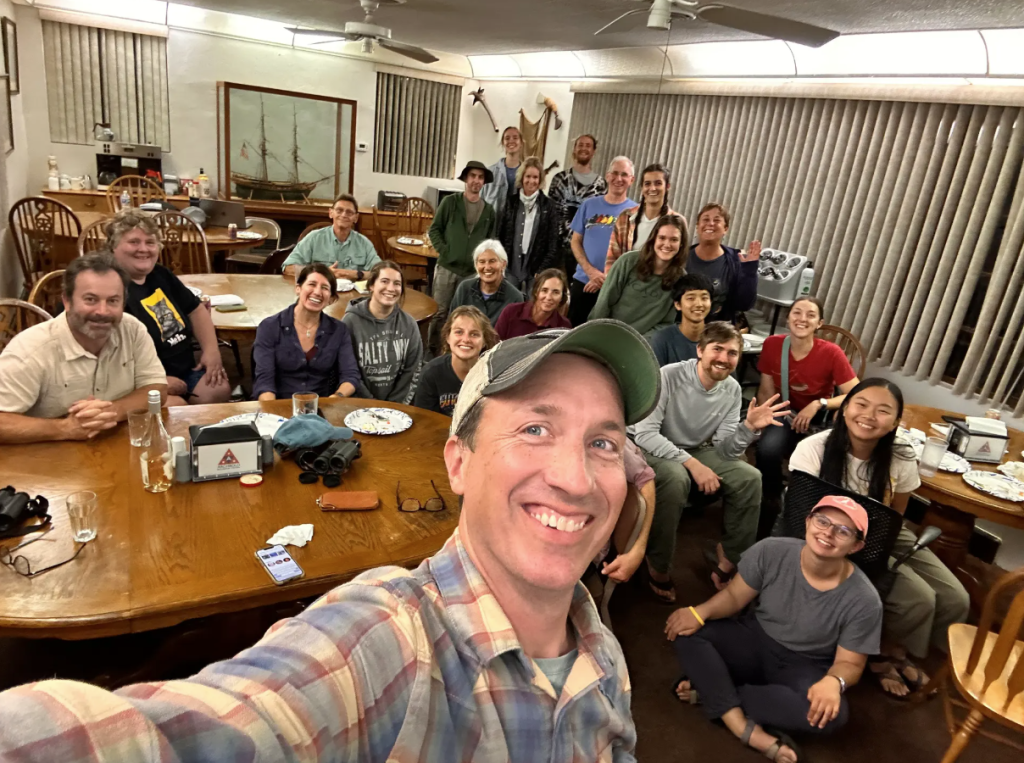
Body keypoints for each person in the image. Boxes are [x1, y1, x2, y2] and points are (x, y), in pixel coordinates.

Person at [0, 319, 662, 762]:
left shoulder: (603, 649)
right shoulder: (384, 645)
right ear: (457, 463)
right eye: (535, 430)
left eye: (602, 441)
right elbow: (179, 735)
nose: (576, 478)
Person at [788, 378, 970, 699]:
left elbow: (895, 515)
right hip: (834, 535)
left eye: (883, 411)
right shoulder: (813, 449)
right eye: (861, 404)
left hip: (882, 531)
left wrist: (882, 545)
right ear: (844, 409)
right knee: (919, 598)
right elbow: (803, 517)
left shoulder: (900, 456)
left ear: (896, 422)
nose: (870, 416)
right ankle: (882, 653)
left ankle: (899, 645)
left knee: (957, 598)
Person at [667, 496, 883, 763]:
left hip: (806, 665)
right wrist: (699, 612)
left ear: (856, 545)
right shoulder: (771, 550)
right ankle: (739, 723)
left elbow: (850, 663)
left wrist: (833, 682)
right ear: (808, 521)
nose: (828, 532)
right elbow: (734, 598)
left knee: (834, 716)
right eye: (822, 521)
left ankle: (712, 692)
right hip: (755, 638)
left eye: (843, 531)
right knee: (690, 631)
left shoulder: (865, 600)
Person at [632, 322, 789, 602]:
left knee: (750, 477)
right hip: (651, 447)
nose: (724, 358)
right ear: (700, 350)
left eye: (732, 353)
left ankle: (729, 555)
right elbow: (645, 434)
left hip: (695, 448)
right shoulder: (668, 376)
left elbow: (726, 450)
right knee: (675, 478)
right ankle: (657, 563)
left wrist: (748, 429)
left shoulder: (731, 389)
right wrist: (693, 464)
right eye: (717, 349)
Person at [0, 253, 167, 444]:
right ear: (67, 301)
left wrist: (112, 411)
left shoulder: (132, 329)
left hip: (112, 450)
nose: (102, 312)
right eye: (90, 299)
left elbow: (157, 389)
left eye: (113, 301)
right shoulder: (30, 350)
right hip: (44, 461)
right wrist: (65, 428)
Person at [755, 297, 860, 538]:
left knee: (820, 465)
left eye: (810, 315)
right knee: (767, 449)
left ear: (819, 323)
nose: (802, 319)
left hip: (818, 419)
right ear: (788, 317)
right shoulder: (773, 344)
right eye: (797, 312)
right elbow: (766, 389)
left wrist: (819, 403)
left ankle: (805, 506)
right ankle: (770, 498)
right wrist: (764, 418)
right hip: (784, 412)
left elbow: (855, 394)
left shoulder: (831, 352)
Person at [105, 210, 231, 406]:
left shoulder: (160, 274)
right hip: (136, 381)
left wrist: (211, 352)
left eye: (150, 242)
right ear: (113, 247)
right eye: (134, 242)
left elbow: (195, 309)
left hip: (185, 369)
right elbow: (108, 357)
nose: (143, 249)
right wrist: (155, 383)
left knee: (217, 389)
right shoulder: (109, 289)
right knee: (175, 408)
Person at [252, 263, 361, 402]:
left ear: (331, 299)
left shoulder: (339, 330)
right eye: (312, 284)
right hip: (280, 406)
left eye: (325, 288)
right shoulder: (269, 327)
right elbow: (264, 382)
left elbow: (350, 375)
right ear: (298, 288)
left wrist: (334, 399)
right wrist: (274, 413)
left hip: (322, 407)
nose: (317, 292)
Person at [427, 161, 497, 354]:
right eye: (473, 176)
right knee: (440, 312)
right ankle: (431, 353)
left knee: (465, 316)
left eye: (480, 177)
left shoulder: (489, 211)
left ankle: (457, 354)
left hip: (471, 273)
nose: (476, 180)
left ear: (484, 182)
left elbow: (490, 243)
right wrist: (445, 250)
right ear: (466, 179)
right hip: (447, 268)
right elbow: (434, 230)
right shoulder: (450, 203)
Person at [588, 213, 689, 338]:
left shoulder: (681, 279)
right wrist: (595, 333)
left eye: (674, 239)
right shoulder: (628, 261)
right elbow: (604, 302)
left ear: (681, 244)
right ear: (653, 239)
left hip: (641, 343)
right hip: (605, 333)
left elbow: (666, 323)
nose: (667, 244)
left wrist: (639, 342)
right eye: (662, 238)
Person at [568, 157, 639, 326]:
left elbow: (635, 253)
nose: (618, 179)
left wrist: (608, 278)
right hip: (584, 283)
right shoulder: (589, 205)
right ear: (607, 176)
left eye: (624, 174)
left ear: (632, 180)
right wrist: (591, 272)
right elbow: (575, 242)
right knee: (571, 336)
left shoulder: (636, 212)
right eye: (614, 173)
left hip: (616, 290)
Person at [342, 261, 423, 404]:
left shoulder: (409, 325)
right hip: (358, 405)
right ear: (371, 285)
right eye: (384, 281)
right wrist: (373, 404)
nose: (391, 288)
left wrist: (394, 406)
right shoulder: (350, 322)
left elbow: (412, 371)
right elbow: (349, 372)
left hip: (397, 408)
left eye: (397, 283)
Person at [413, 306, 497, 416]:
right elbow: (423, 421)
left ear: (484, 341)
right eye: (459, 332)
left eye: (474, 334)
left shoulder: (494, 374)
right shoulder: (431, 374)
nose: (466, 339)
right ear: (448, 337)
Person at [688, 202, 761, 325]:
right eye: (705, 219)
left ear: (725, 229)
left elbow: (744, 304)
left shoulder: (735, 261)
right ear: (697, 226)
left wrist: (749, 272)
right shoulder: (682, 256)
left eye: (716, 220)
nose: (710, 223)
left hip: (718, 332)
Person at [281, 193, 380, 280]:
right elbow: (287, 268)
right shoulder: (314, 238)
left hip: (352, 296)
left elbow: (380, 273)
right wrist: (322, 272)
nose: (344, 215)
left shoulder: (364, 243)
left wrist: (355, 274)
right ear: (331, 213)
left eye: (349, 212)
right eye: (339, 210)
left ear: (356, 218)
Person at [605, 163, 683, 272]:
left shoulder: (677, 222)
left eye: (658, 183)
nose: (652, 188)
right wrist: (611, 285)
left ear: (667, 186)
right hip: (624, 283)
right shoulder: (625, 218)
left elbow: (679, 262)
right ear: (642, 187)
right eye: (647, 184)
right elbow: (612, 259)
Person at [548, 134, 608, 276]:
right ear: (574, 149)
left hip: (585, 252)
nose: (584, 148)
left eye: (588, 146)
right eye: (580, 145)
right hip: (557, 250)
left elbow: (601, 221)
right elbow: (549, 215)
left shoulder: (601, 186)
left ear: (594, 151)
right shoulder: (559, 180)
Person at [497, 156, 559, 291]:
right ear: (522, 178)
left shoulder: (549, 206)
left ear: (540, 179)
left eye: (535, 177)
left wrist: (542, 269)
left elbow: (553, 242)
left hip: (536, 269)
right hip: (511, 266)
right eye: (528, 176)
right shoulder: (510, 202)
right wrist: (501, 262)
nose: (531, 181)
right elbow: (499, 234)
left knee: (533, 307)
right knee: (510, 305)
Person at [448, 240, 524, 325]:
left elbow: (514, 336)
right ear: (476, 265)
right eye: (482, 262)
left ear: (503, 264)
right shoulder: (464, 288)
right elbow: (451, 324)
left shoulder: (515, 298)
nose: (487, 267)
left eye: (492, 261)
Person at [649, 273, 714, 367]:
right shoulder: (662, 340)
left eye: (704, 298)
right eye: (691, 298)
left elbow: (730, 380)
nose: (699, 304)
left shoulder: (718, 339)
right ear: (678, 304)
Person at [494, 268, 571, 340]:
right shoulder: (511, 312)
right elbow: (494, 346)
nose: (549, 297)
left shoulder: (564, 326)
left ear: (562, 297)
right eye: (544, 290)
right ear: (536, 292)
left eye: (556, 292)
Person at [481, 125, 524, 221]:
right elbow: (480, 202)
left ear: (521, 143)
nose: (511, 141)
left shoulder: (526, 175)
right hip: (491, 226)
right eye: (507, 138)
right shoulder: (490, 172)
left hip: (515, 228)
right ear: (503, 143)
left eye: (515, 138)